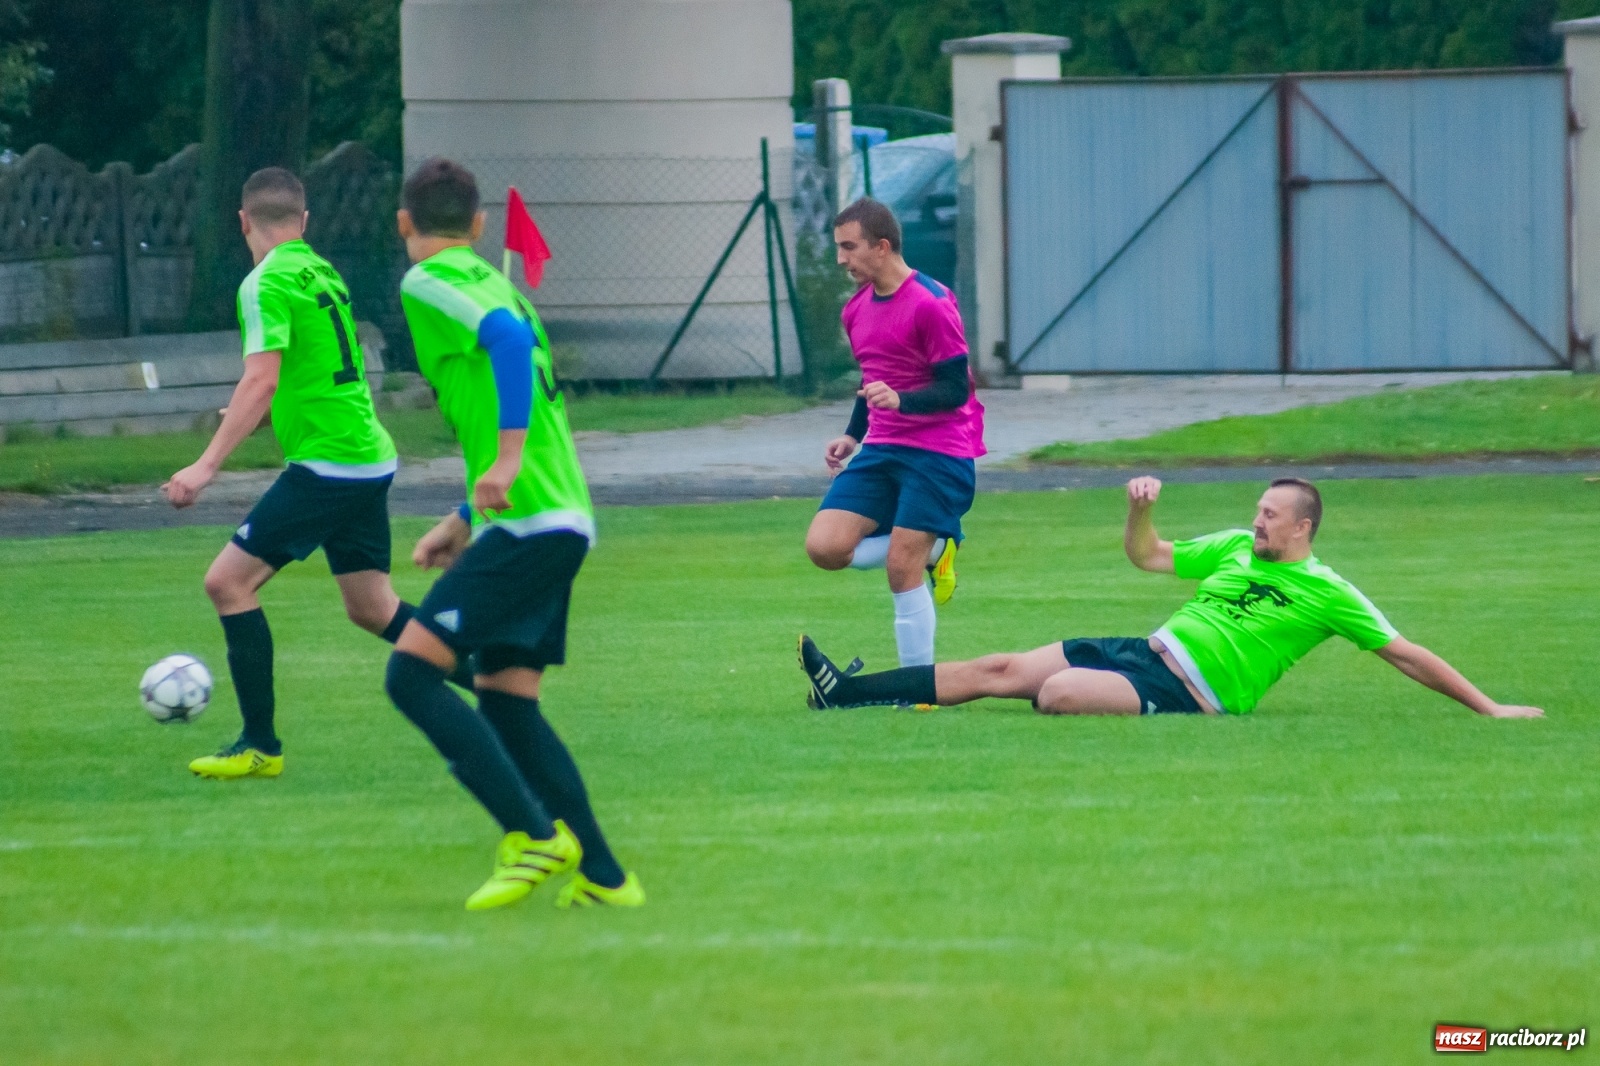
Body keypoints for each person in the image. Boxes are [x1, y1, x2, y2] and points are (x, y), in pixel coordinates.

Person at [383, 158, 642, 911]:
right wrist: (466, 517)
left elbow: (500, 343)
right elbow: (504, 352)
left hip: (531, 523)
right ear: (478, 223)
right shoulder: (501, 284)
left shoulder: (427, 281)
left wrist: (504, 460)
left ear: (404, 223)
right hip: (553, 518)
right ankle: (606, 877)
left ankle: (533, 836)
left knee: (411, 675)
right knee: (504, 700)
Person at [800, 477, 1543, 720]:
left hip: (1187, 692)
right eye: (1257, 512)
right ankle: (847, 694)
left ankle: (863, 694)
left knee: (1056, 693)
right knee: (999, 668)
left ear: (1303, 528)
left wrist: (1490, 707)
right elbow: (1150, 556)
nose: (1256, 522)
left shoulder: (1329, 592)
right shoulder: (1234, 547)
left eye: (1269, 516)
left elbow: (1405, 654)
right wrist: (1139, 511)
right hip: (1144, 651)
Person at [164, 167, 448, 780]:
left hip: (329, 465)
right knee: (372, 607)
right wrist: (261, 417)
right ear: (305, 221)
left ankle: (259, 746)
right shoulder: (321, 272)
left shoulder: (264, 282)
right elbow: (310, 377)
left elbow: (262, 378)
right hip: (365, 455)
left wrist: (205, 465)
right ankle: (493, 679)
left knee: (227, 584)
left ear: (242, 221)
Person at [804, 198, 986, 669]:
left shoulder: (931, 303)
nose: (840, 259)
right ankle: (937, 546)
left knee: (901, 568)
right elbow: (874, 380)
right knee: (825, 548)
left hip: (939, 452)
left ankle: (917, 689)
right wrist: (852, 434)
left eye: (849, 247)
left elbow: (955, 389)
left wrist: (902, 400)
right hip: (883, 448)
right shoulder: (855, 309)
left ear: (882, 247)